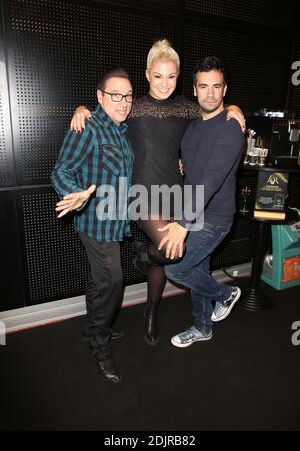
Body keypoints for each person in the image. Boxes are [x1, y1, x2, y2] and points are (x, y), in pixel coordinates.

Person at [70, 40, 245, 347]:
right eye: (159, 76)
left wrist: (234, 107)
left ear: (179, 79)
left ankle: (152, 311)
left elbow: (213, 106)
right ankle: (145, 257)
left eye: (172, 76)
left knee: (165, 260)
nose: (165, 83)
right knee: (167, 251)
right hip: (140, 194)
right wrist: (82, 108)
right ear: (147, 75)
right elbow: (104, 109)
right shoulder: (132, 106)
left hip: (176, 193)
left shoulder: (186, 107)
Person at [51, 68, 134, 383]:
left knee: (100, 280)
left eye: (127, 96)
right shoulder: (87, 127)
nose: (123, 102)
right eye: (115, 95)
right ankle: (100, 345)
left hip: (115, 221)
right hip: (95, 223)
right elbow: (61, 169)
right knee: (113, 281)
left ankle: (92, 327)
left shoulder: (121, 130)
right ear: (99, 96)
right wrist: (74, 194)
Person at [159, 56, 244, 347]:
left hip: (215, 218)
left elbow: (212, 179)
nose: (210, 93)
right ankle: (202, 326)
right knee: (199, 271)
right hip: (194, 211)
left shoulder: (231, 127)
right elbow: (191, 164)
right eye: (203, 86)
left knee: (177, 269)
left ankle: (226, 294)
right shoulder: (193, 127)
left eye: (216, 86)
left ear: (225, 90)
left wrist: (182, 224)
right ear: (195, 90)